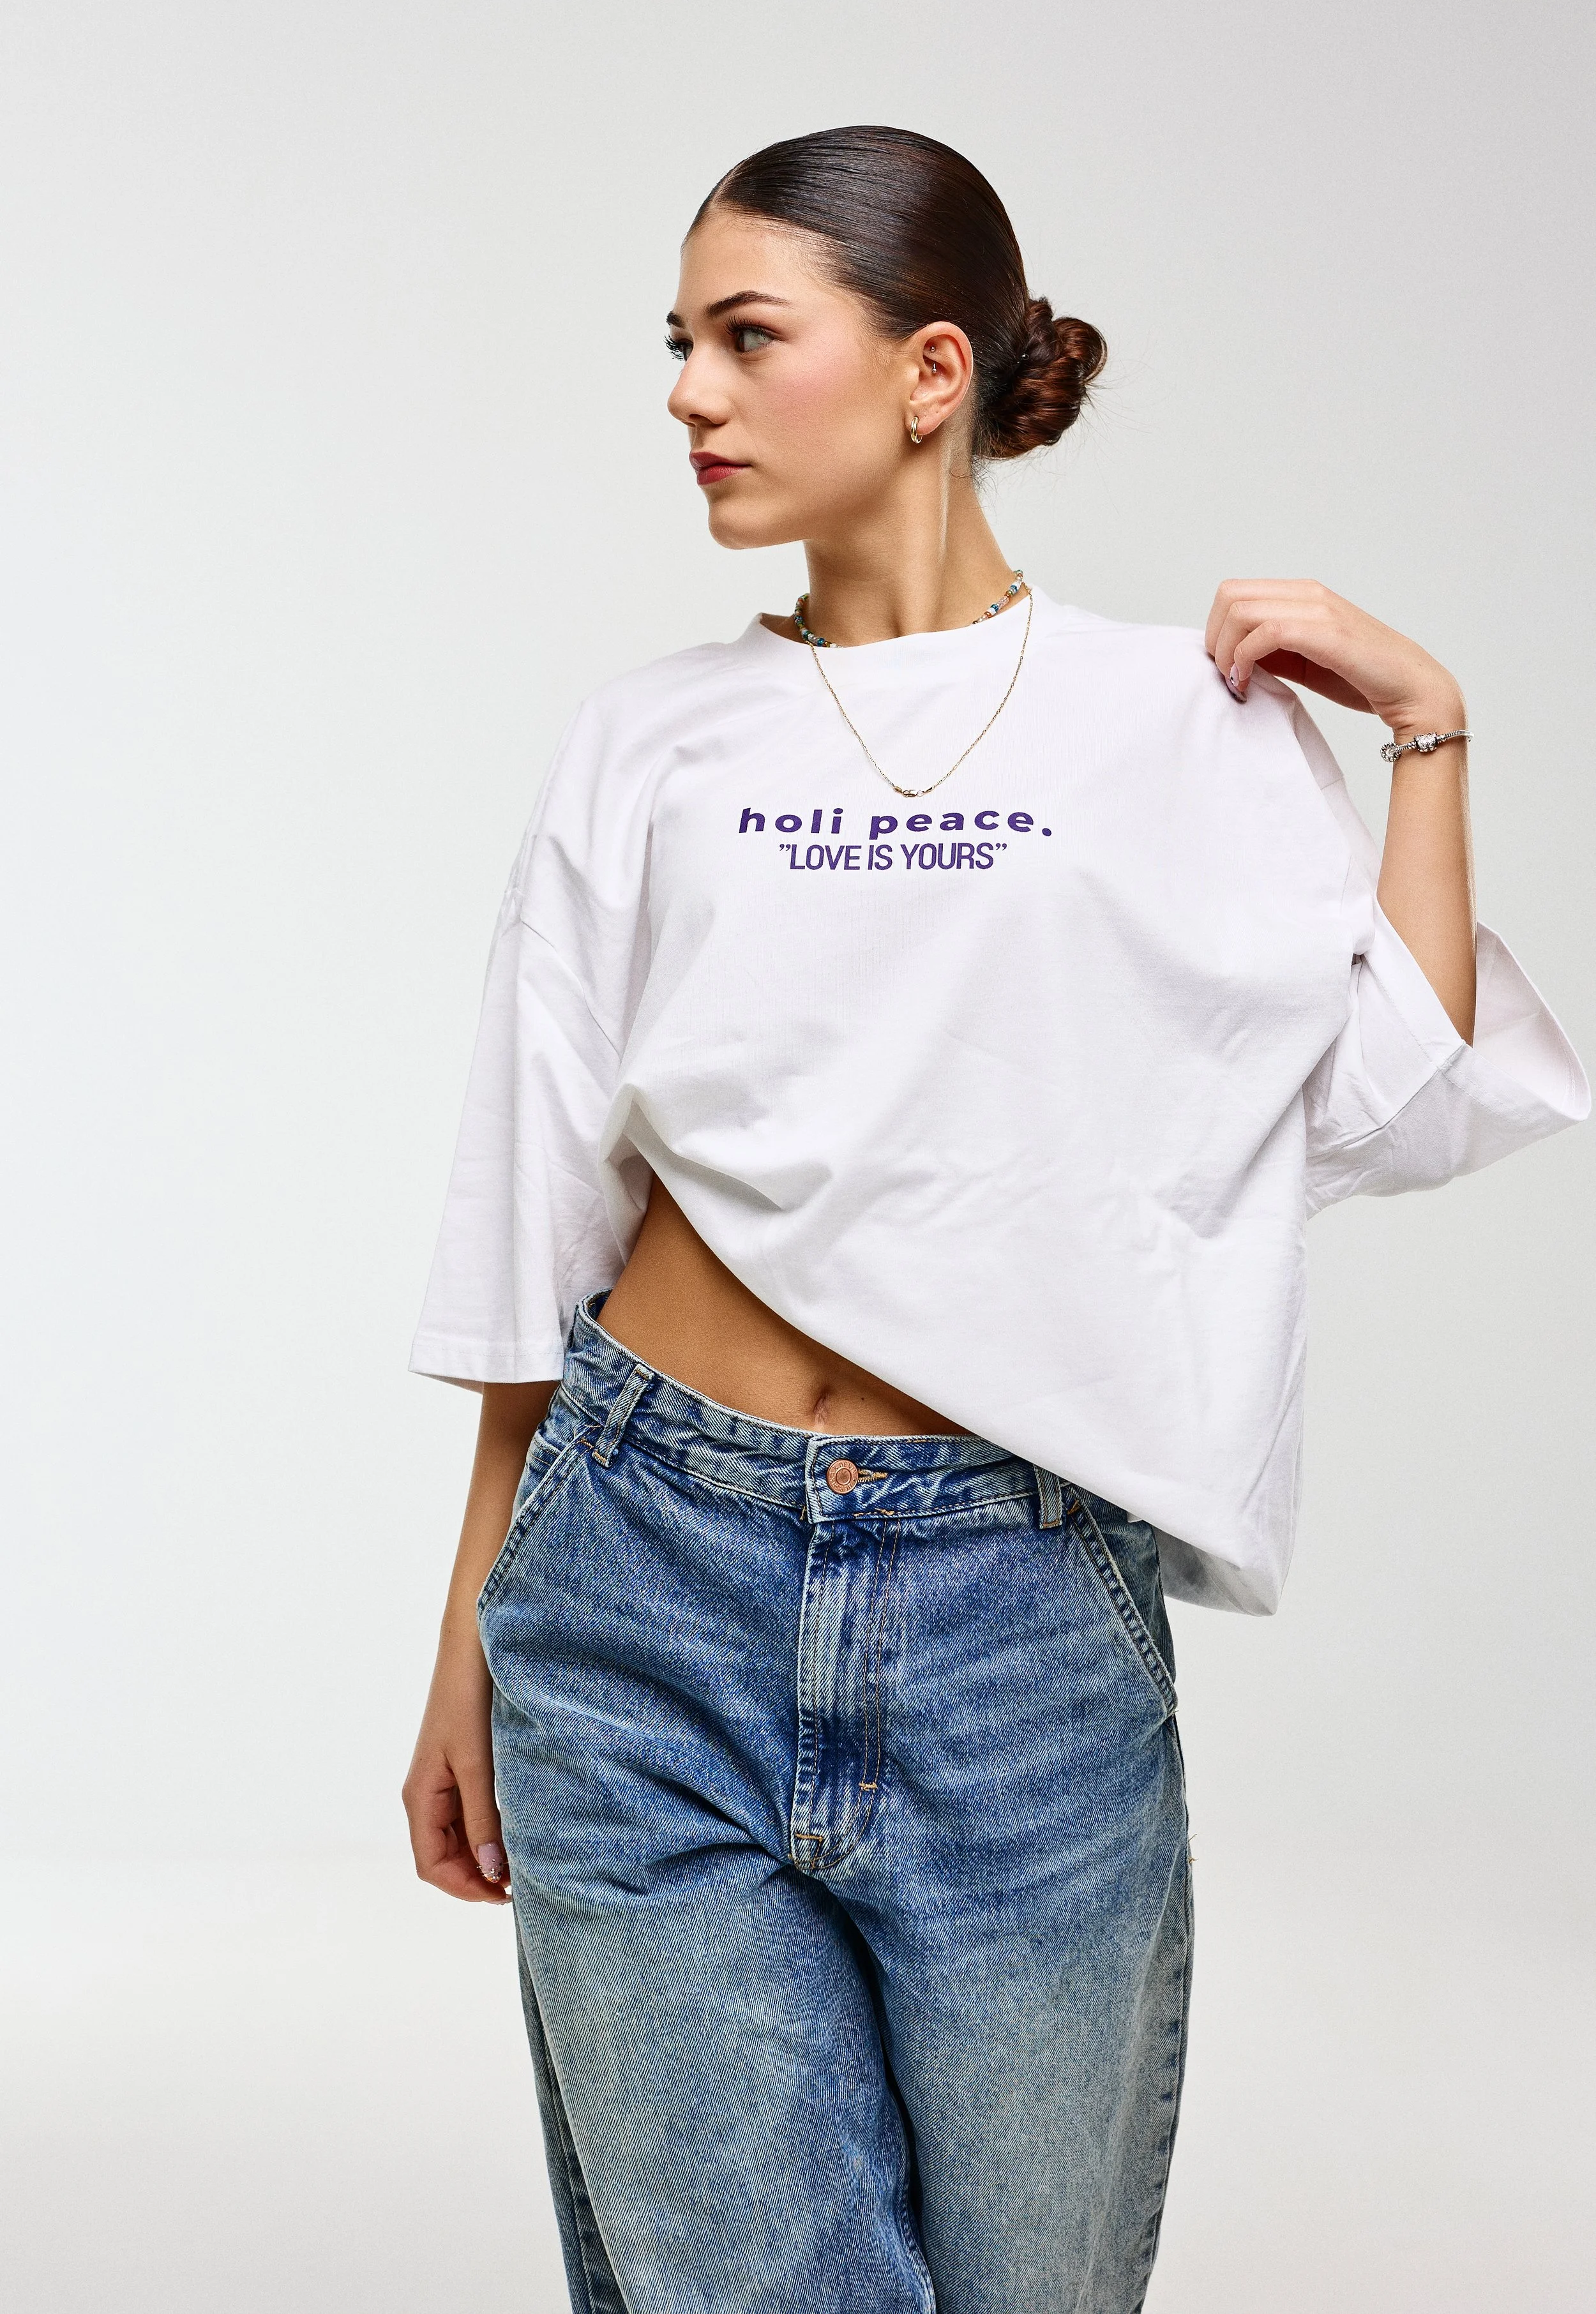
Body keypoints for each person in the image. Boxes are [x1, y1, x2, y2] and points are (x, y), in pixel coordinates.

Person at [401, 126, 1586, 2313]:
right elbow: (532, 1200)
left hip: (1011, 1622)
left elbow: (1397, 1089)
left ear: (932, 368)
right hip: (640, 1576)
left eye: (749, 337)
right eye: (679, 343)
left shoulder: (1174, 721)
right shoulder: (647, 740)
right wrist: (466, 1634)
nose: (689, 391)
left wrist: (1427, 732)